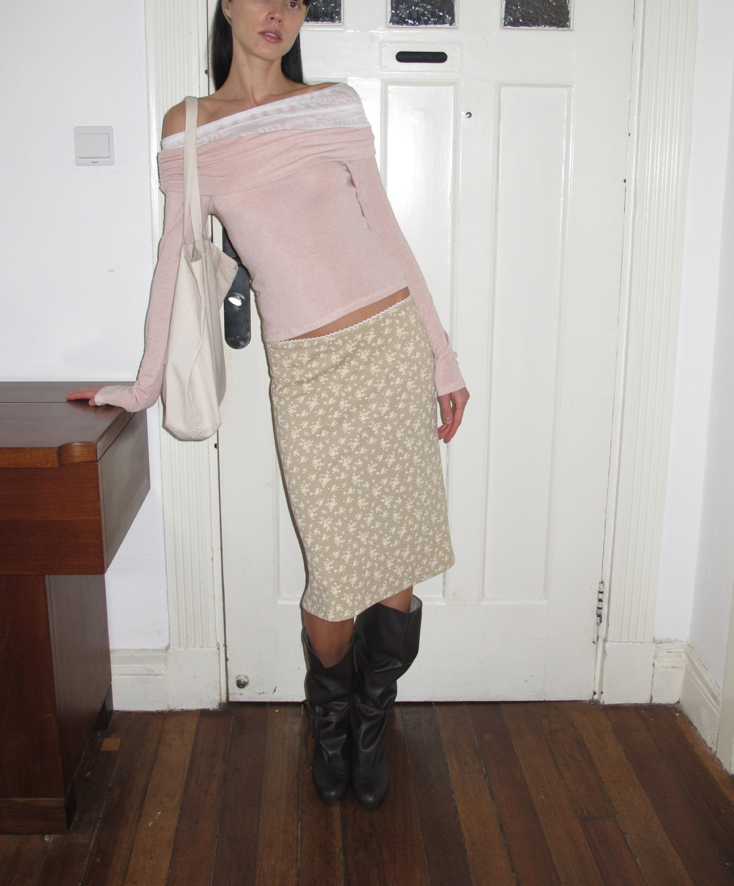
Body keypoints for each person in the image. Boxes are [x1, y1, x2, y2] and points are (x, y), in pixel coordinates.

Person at [68, 0, 469, 809]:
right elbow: (173, 259)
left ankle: (370, 725)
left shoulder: (333, 104)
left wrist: (442, 356)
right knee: (335, 575)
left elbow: (388, 232)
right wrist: (143, 386)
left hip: (389, 346)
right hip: (308, 371)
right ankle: (330, 724)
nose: (277, 11)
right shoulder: (190, 127)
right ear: (226, 3)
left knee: (395, 564)